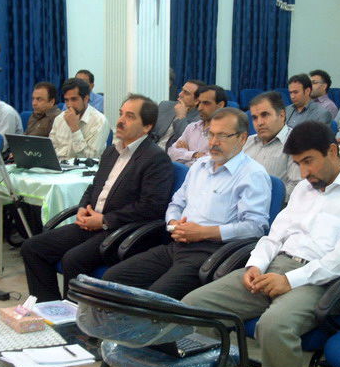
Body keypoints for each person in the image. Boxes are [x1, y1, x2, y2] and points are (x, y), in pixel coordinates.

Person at [179, 121, 340, 367]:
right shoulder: (303, 188)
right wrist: (255, 265)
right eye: (298, 164)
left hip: (325, 282)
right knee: (193, 306)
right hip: (275, 269)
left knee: (274, 326)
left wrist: (290, 280)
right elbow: (274, 237)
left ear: (331, 150)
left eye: (308, 162)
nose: (304, 173)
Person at [103, 107, 271, 299]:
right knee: (113, 278)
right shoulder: (200, 166)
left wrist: (204, 232)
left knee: (154, 297)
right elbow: (176, 204)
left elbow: (255, 227)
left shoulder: (252, 174)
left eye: (222, 136)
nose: (213, 142)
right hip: (177, 244)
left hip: (212, 252)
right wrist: (173, 224)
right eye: (211, 134)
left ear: (242, 138)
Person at [21, 94, 174, 301]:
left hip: (121, 230)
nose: (120, 121)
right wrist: (83, 207)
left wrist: (104, 220)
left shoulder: (156, 158)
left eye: (130, 116)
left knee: (72, 259)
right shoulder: (111, 152)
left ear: (147, 127)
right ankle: (49, 307)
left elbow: (151, 207)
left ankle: (76, 317)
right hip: (92, 223)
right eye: (121, 114)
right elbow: (94, 187)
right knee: (32, 248)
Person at [244, 91, 300, 197]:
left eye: (265, 115)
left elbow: (296, 186)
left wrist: (258, 200)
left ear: (282, 115)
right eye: (255, 118)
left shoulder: (296, 142)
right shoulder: (247, 142)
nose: (259, 123)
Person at [50, 78, 109, 160]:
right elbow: (50, 149)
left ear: (86, 99)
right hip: (58, 165)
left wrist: (75, 128)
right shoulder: (59, 119)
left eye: (74, 99)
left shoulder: (100, 121)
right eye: (66, 100)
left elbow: (90, 158)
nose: (69, 105)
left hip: (83, 167)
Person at [167, 85, 226, 166]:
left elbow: (211, 162)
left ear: (220, 105)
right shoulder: (192, 127)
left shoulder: (226, 132)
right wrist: (194, 154)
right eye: (199, 103)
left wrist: (185, 153)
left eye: (206, 103)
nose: (199, 108)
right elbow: (171, 153)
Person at [152, 79, 205, 150]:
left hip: (174, 153)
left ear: (196, 101)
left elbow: (186, 140)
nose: (180, 94)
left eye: (186, 93)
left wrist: (181, 117)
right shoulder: (165, 105)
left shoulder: (200, 119)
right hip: (152, 149)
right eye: (182, 90)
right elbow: (150, 131)